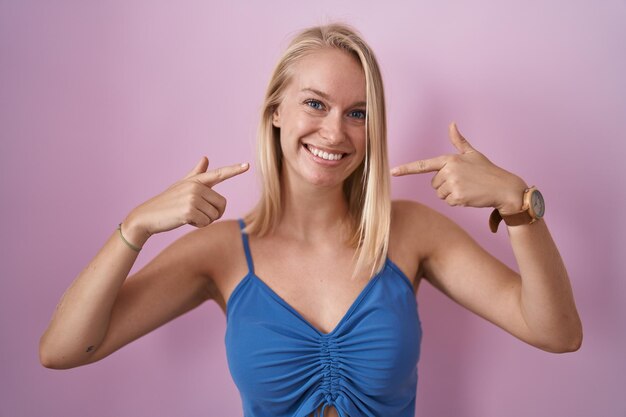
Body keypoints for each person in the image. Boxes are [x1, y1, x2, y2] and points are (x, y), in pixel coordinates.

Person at [39, 23, 582, 417]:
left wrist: (518, 205)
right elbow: (64, 350)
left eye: (358, 113)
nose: (335, 132)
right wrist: (133, 228)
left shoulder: (413, 232)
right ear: (276, 111)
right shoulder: (220, 252)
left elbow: (556, 333)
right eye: (315, 104)